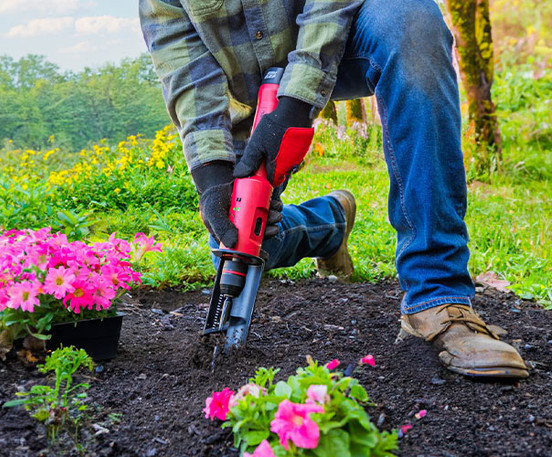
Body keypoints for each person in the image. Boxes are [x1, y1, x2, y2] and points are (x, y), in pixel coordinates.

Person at [139, 0, 528, 378]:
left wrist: (295, 102)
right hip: (248, 88)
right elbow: (185, 68)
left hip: (342, 32)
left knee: (412, 21)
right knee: (238, 242)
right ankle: (330, 223)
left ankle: (437, 297)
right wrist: (213, 178)